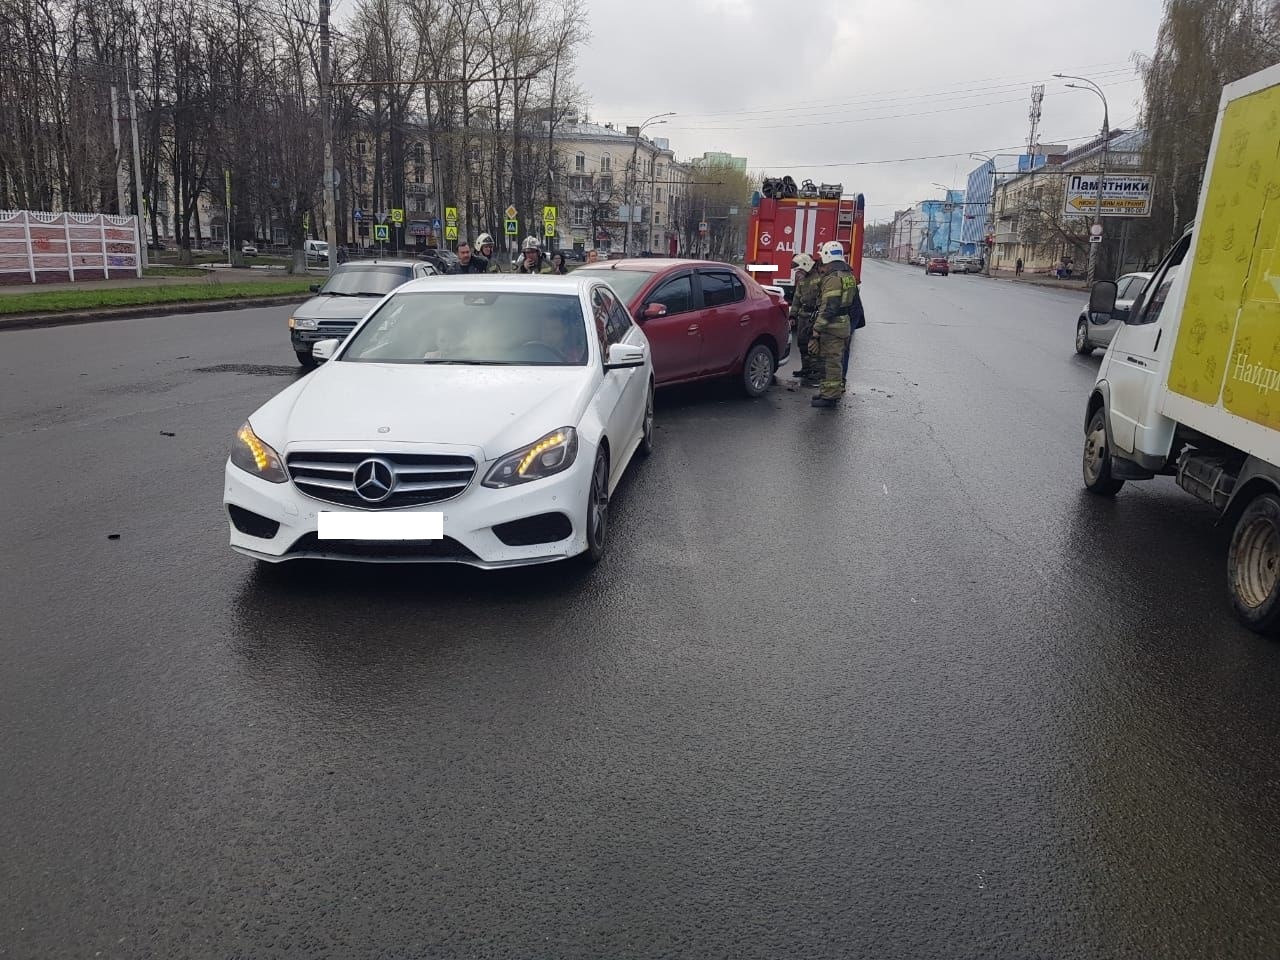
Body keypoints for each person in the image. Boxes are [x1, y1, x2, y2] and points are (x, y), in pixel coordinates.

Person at [809, 240, 856, 409]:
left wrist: (817, 328)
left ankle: (830, 397)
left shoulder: (833, 279)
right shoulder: (847, 274)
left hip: (832, 327)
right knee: (831, 360)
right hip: (842, 324)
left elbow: (829, 307)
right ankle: (827, 392)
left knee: (831, 362)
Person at [787, 252, 823, 387]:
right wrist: (792, 315)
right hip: (803, 316)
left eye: (799, 269)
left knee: (813, 345)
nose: (797, 272)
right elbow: (796, 299)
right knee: (802, 343)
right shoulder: (802, 281)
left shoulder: (819, 279)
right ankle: (806, 369)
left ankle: (816, 373)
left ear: (806, 266)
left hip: (814, 316)